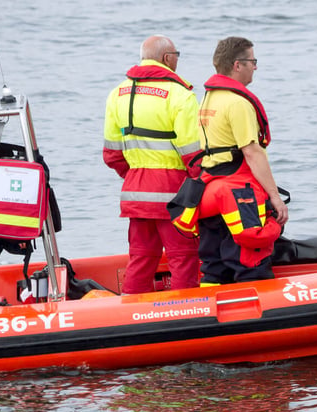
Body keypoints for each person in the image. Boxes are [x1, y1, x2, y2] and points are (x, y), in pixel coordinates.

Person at [103, 35, 201, 294]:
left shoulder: (117, 94)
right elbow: (193, 155)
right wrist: (198, 185)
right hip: (175, 195)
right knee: (183, 258)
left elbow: (111, 154)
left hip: (135, 192)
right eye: (177, 54)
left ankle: (130, 318)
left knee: (141, 259)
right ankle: (185, 315)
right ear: (167, 58)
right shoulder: (180, 95)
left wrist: (137, 174)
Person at [193, 36, 287, 286]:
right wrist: (275, 197)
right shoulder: (237, 102)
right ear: (237, 65)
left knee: (215, 266)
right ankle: (262, 319)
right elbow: (252, 152)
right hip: (238, 194)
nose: (255, 66)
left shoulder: (208, 99)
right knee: (250, 261)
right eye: (252, 61)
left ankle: (211, 315)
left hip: (211, 190)